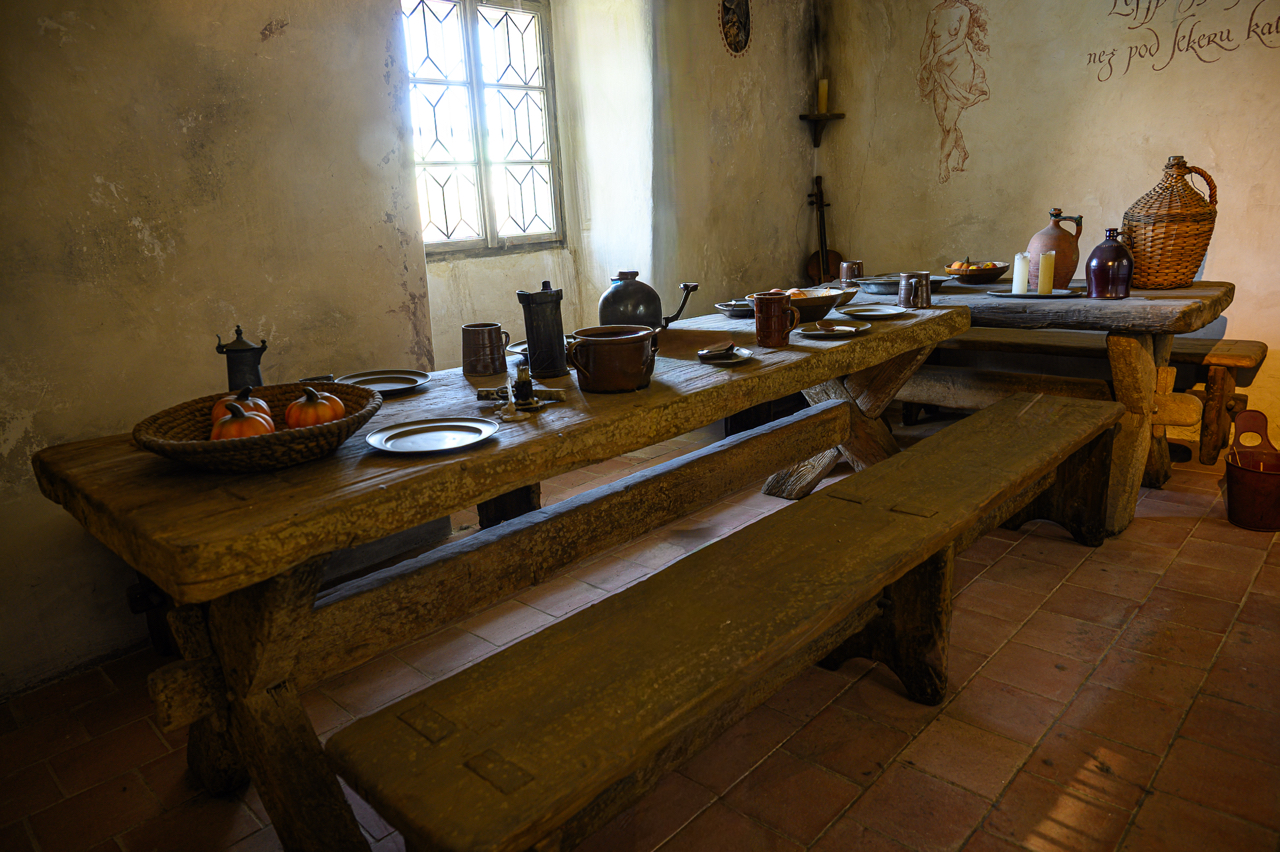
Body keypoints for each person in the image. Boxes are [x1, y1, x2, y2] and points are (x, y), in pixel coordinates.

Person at [918, 0, 990, 184]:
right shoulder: (934, 13)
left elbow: (959, 40)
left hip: (960, 68)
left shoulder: (962, 11)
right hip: (940, 71)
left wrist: (938, 54)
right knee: (943, 122)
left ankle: (943, 163)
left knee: (949, 123)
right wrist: (923, 65)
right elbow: (927, 42)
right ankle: (963, 151)